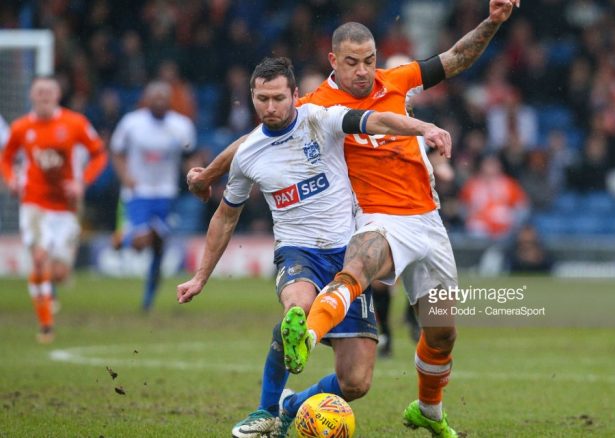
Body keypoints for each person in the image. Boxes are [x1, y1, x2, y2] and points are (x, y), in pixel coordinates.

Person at [188, 2, 519, 435]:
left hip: (428, 220)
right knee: (360, 265)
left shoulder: (398, 81)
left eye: (369, 61)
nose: (363, 72)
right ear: (333, 61)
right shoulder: (315, 105)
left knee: (441, 332)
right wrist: (209, 175)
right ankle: (304, 337)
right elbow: (254, 140)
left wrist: (491, 21)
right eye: (352, 63)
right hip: (376, 217)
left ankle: (427, 410)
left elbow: (456, 58)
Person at [176, 57, 451, 438]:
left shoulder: (321, 119)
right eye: (261, 99)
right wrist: (200, 277)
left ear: (294, 96)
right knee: (299, 309)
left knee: (356, 382)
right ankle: (265, 410)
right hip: (298, 253)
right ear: (252, 97)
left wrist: (421, 127)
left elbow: (375, 120)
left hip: (348, 253)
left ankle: (291, 405)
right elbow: (225, 216)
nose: (269, 108)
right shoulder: (249, 154)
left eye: (277, 98)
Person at [0, 76, 107, 343]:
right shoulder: (22, 127)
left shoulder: (75, 123)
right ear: (31, 96)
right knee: (38, 258)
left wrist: (81, 183)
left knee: (58, 272)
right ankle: (46, 324)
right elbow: (5, 157)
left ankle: (48, 290)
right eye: (39, 91)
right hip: (34, 203)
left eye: (49, 91)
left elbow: (99, 154)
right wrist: (11, 180)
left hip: (66, 207)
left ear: (58, 94)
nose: (44, 95)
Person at [111, 81, 196, 311]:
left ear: (169, 100)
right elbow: (117, 152)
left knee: (159, 245)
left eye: (163, 97)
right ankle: (124, 238)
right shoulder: (132, 123)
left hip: (166, 194)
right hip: (138, 193)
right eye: (154, 97)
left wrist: (198, 176)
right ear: (146, 99)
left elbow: (189, 156)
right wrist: (125, 176)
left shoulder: (181, 125)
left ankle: (147, 300)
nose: (159, 100)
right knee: (142, 241)